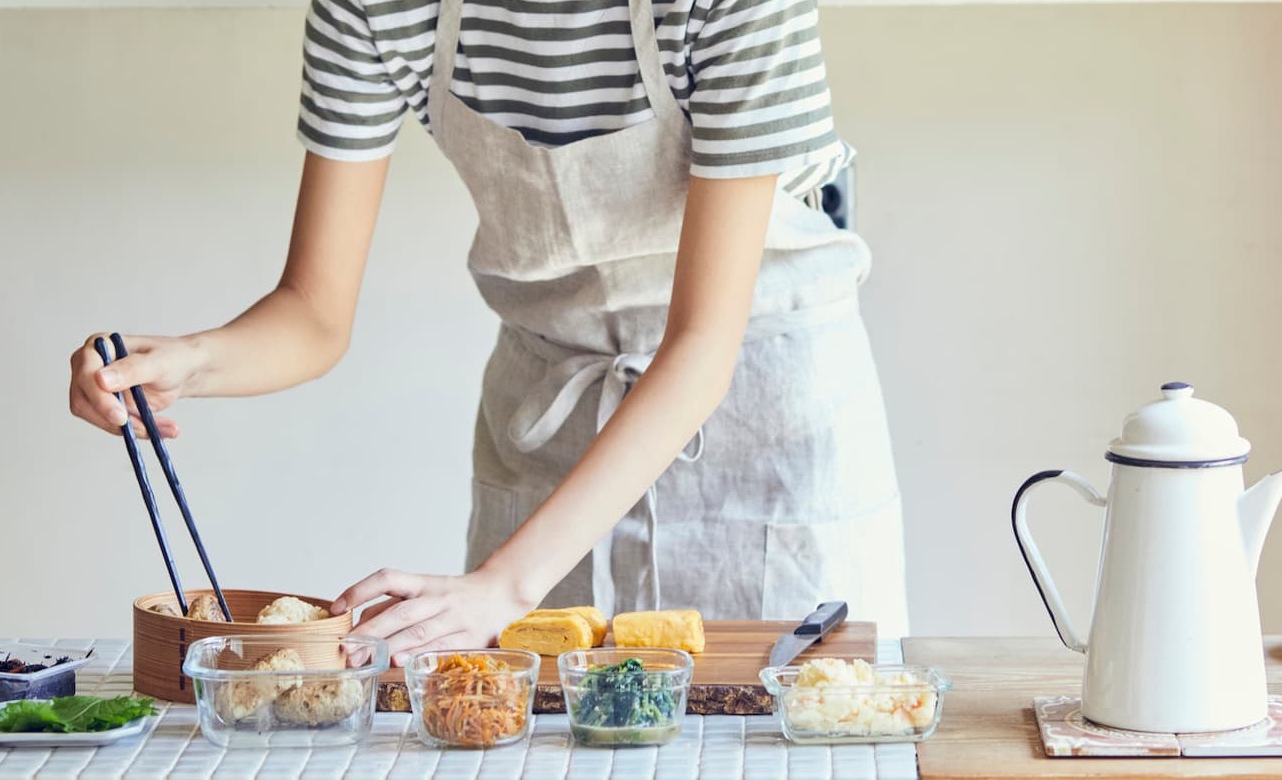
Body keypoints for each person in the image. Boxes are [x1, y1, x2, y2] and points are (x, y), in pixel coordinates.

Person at [67, 0, 906, 663]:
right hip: (552, 415)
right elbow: (314, 315)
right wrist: (190, 362)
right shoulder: (375, 9)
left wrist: (506, 585)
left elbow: (700, 347)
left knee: (794, 725)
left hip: (759, 419)